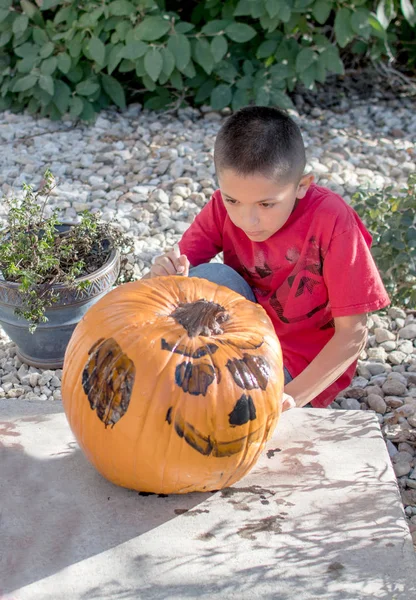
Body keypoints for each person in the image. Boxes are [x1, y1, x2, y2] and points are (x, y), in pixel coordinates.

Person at [146, 106, 390, 411]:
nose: (249, 220)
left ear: (301, 186)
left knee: (219, 408)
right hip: (242, 336)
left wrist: (291, 396)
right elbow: (171, 279)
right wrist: (159, 276)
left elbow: (352, 335)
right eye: (233, 200)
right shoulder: (224, 207)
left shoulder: (332, 221)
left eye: (266, 204)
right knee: (207, 277)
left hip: (298, 365)